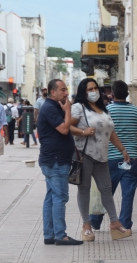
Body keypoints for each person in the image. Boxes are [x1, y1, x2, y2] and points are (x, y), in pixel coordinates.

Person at [70, 77, 132, 241]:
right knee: (84, 189)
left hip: (102, 156)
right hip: (85, 154)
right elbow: (68, 126)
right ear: (83, 92)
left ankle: (114, 223)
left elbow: (110, 132)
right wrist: (83, 132)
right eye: (90, 89)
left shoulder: (103, 109)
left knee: (106, 189)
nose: (93, 92)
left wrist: (122, 150)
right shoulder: (78, 107)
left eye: (95, 88)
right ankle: (86, 225)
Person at [89, 80, 137, 232]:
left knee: (105, 191)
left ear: (111, 94)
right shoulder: (136, 112)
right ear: (127, 94)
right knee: (128, 194)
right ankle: (125, 223)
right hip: (132, 158)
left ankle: (95, 220)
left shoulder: (106, 111)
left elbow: (99, 135)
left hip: (110, 159)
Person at [37, 79, 82, 246]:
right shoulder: (49, 108)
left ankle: (49, 234)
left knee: (51, 197)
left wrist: (65, 110)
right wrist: (68, 110)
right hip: (56, 160)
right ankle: (60, 235)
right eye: (62, 90)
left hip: (53, 159)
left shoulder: (54, 107)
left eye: (66, 90)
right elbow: (64, 129)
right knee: (60, 197)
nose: (66, 93)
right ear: (52, 92)